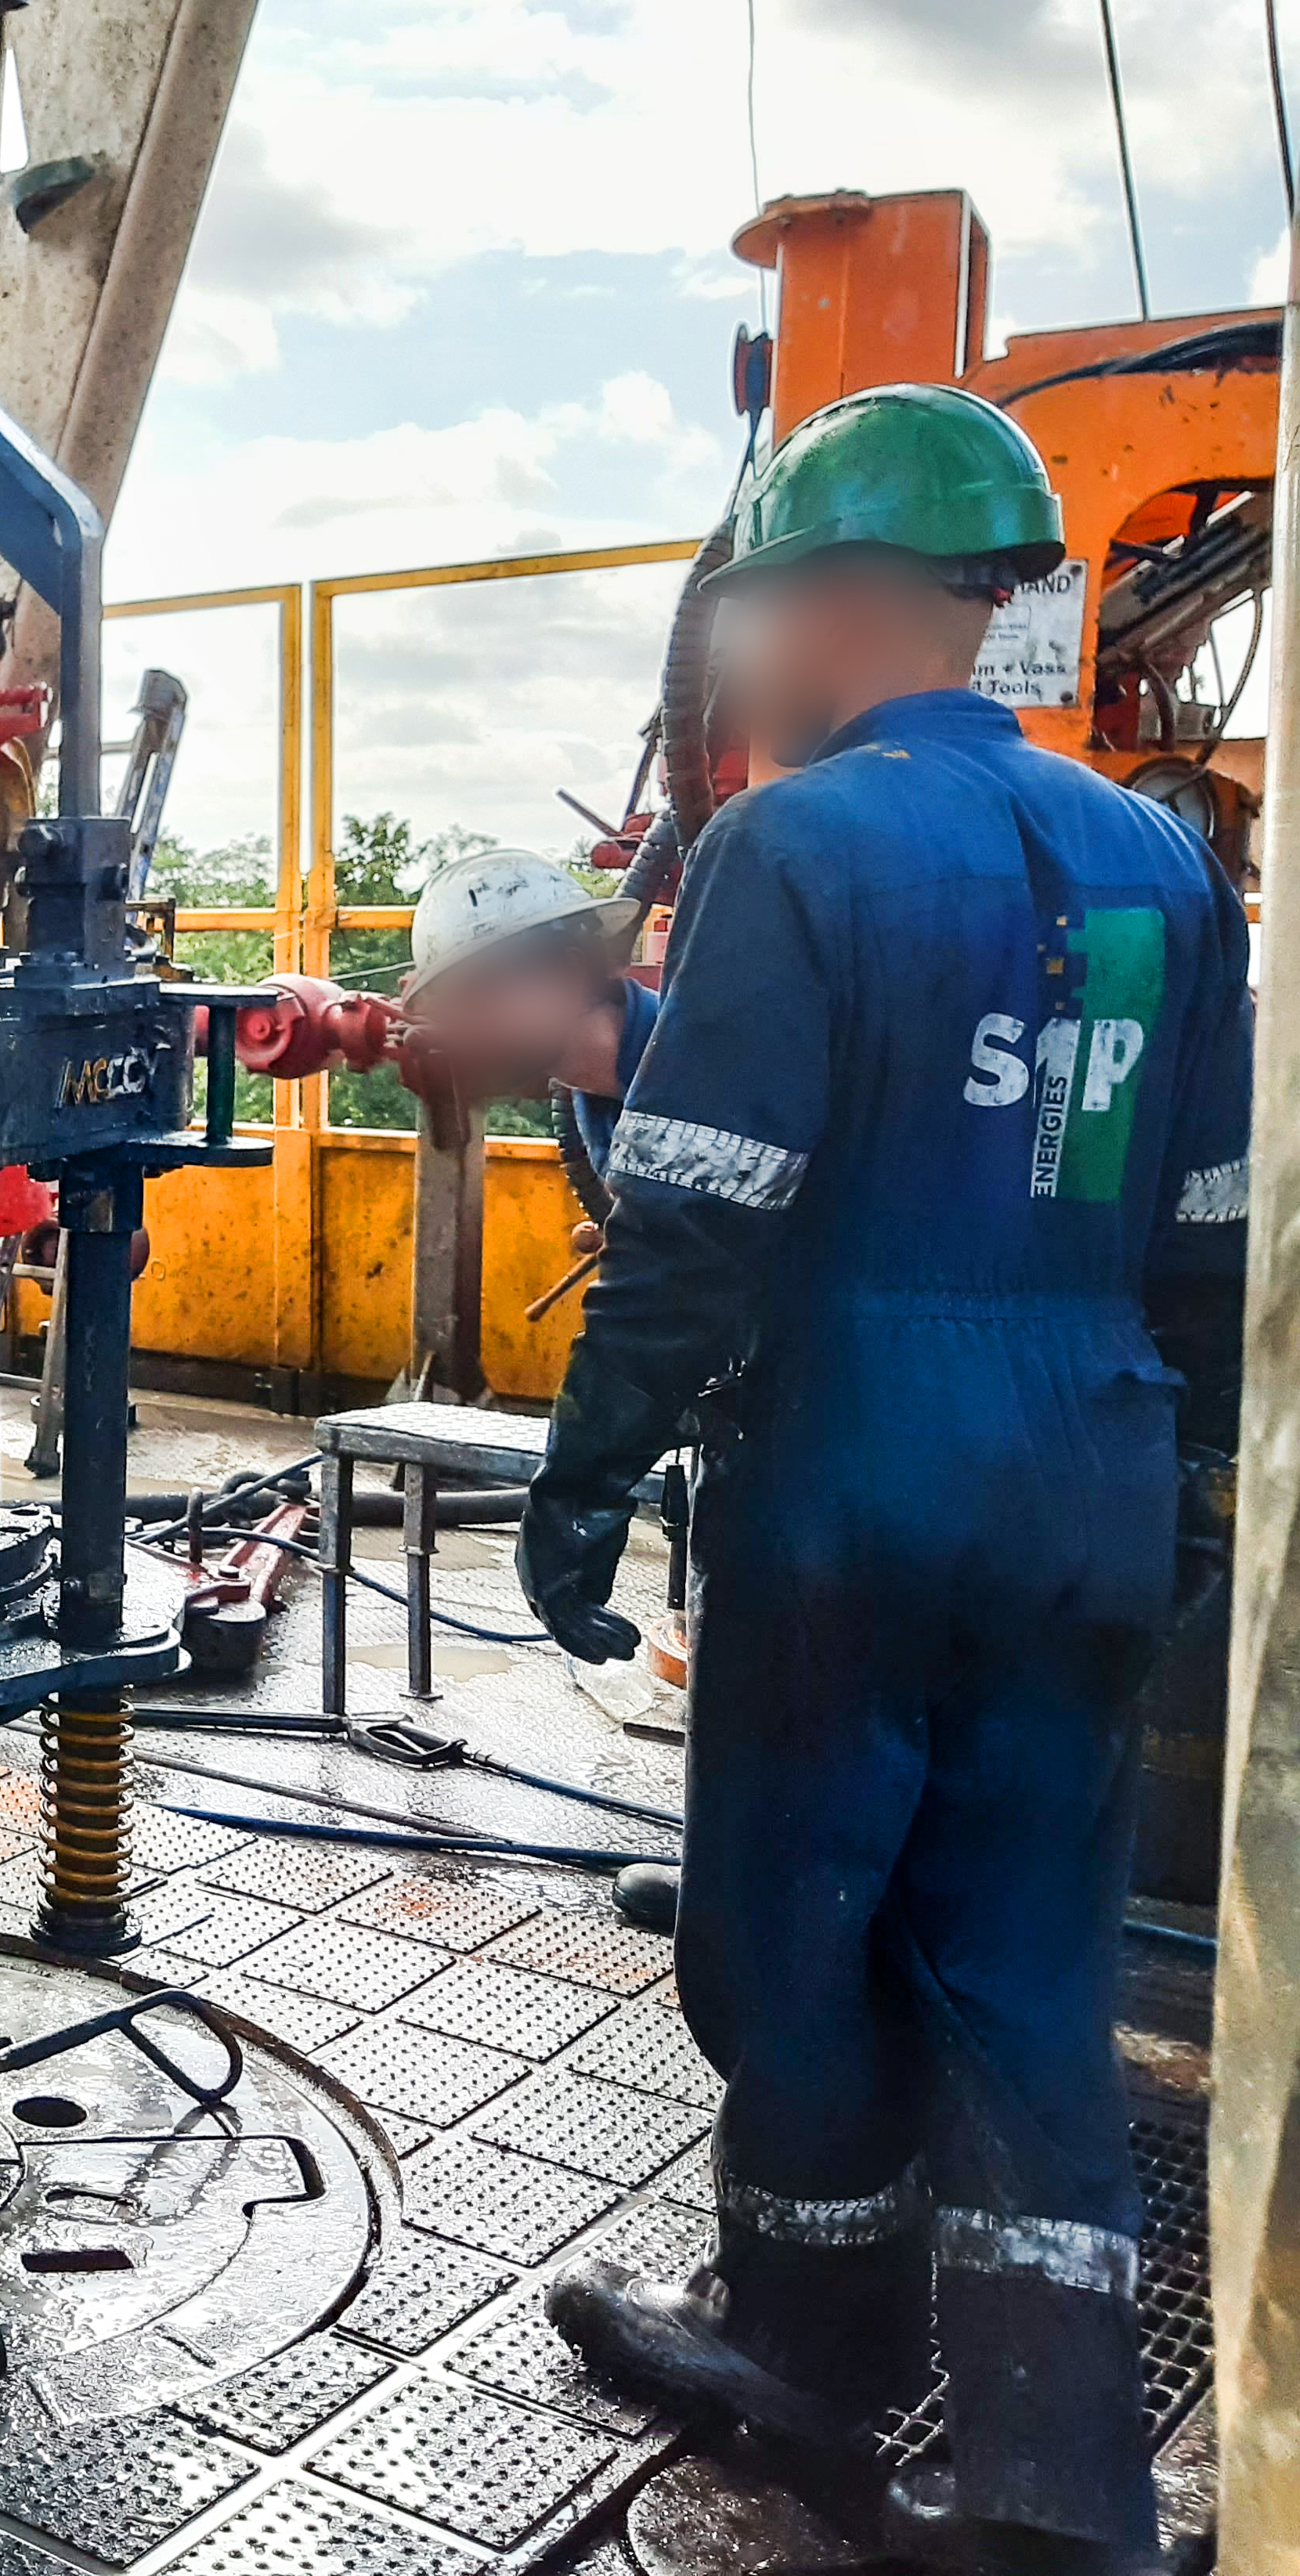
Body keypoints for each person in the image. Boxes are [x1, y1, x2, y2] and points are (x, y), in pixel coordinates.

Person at [522, 384, 1249, 2571]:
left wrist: (584, 1480)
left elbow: (699, 1222)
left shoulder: (794, 850)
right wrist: (1188, 1483)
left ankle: (813, 2351)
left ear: (832, 602)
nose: (732, 656)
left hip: (862, 1474)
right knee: (1028, 1961)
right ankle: (1054, 2485)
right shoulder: (1157, 861)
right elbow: (1213, 1228)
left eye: (746, 609)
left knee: (798, 1924)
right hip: (1091, 1475)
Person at [399, 845, 659, 1176]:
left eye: (481, 993)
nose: (466, 1027)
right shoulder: (599, 1101)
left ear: (569, 975)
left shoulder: (700, 1072)